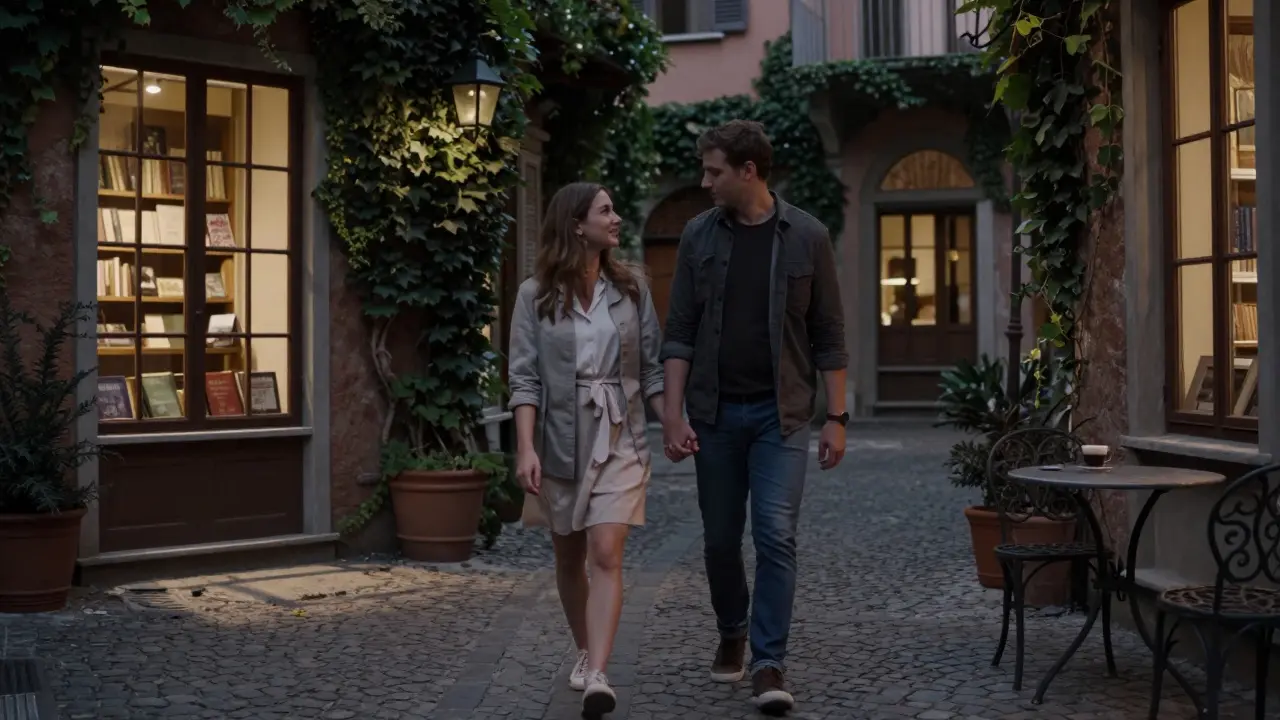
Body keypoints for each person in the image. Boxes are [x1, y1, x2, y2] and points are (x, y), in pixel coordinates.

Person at [659, 119, 849, 716]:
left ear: (748, 171)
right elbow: (680, 330)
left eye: (713, 171)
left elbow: (829, 334)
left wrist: (837, 416)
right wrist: (672, 415)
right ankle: (732, 628)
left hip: (780, 416)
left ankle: (769, 661)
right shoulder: (698, 236)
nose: (705, 182)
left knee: (775, 535)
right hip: (713, 414)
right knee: (720, 539)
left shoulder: (808, 237)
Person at [507, 182, 665, 718]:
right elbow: (524, 379)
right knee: (569, 555)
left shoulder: (632, 289)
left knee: (606, 551)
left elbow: (651, 370)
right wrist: (525, 449)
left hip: (621, 434)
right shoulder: (534, 295)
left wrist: (674, 422)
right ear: (577, 224)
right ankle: (584, 647)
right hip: (559, 437)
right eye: (605, 210)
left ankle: (598, 673)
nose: (616, 218)